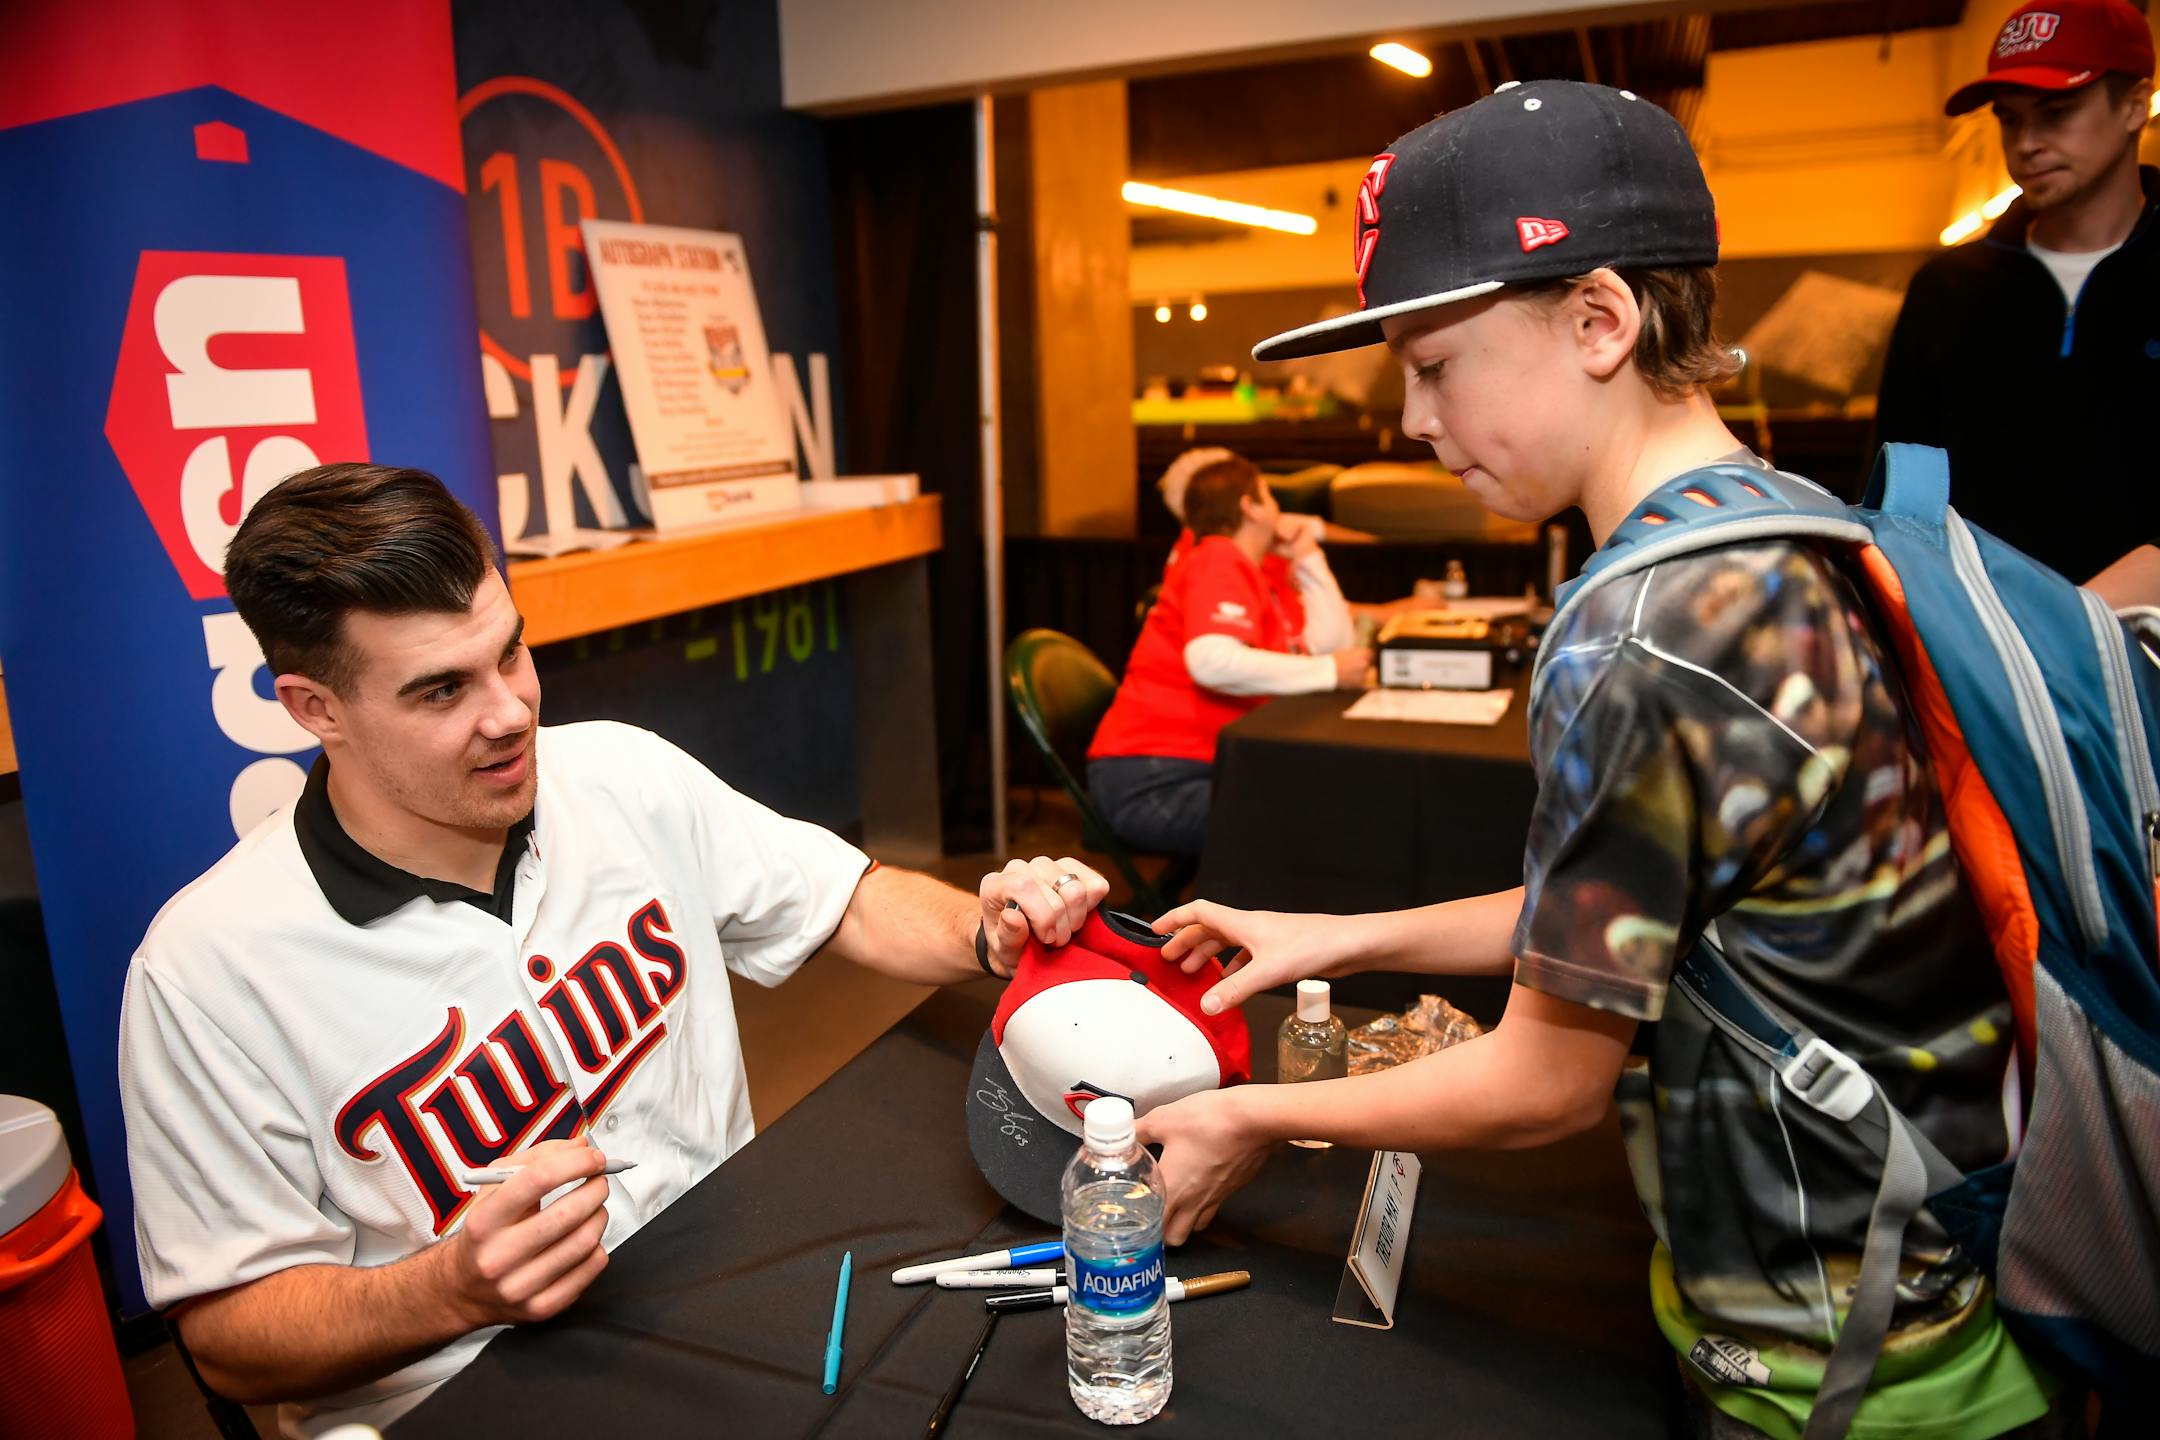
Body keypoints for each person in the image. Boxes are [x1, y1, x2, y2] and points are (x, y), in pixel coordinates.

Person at [1136, 83, 2075, 1439]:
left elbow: (1544, 1081)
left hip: (1835, 1366)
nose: (1410, 418)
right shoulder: (1782, 522)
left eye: (1435, 363)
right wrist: (1331, 932)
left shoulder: (1640, 628)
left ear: (1599, 322)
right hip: (1951, 1283)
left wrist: (1254, 1117)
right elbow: (1645, 908)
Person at [117, 463, 1110, 1436]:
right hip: (474, 1387)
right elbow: (231, 1340)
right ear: (313, 709)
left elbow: (841, 899)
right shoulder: (208, 969)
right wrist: (451, 1290)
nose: (509, 712)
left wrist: (986, 930)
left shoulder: (619, 773)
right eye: (439, 691)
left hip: (741, 1288)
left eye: (510, 652)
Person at [1876, 0, 2156, 586]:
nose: (2027, 141)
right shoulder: (1946, 291)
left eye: (2057, 112)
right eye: (2010, 119)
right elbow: (1898, 493)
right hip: (1983, 648)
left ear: (2134, 105)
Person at [1086, 455, 1371, 858]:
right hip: (1155, 780)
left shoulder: (1254, 570)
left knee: (1327, 806)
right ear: (1249, 506)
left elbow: (1330, 642)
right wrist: (1329, 672)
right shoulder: (1218, 557)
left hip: (1185, 769)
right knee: (1319, 822)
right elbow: (1210, 661)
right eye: (1270, 496)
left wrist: (1308, 555)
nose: (1280, 509)